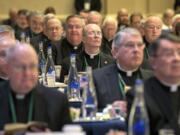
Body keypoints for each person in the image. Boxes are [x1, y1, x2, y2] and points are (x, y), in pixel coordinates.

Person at [0, 43, 72, 131]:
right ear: (8, 68)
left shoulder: (58, 100)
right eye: (20, 67)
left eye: (32, 66)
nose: (27, 73)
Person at [127, 34, 180, 135]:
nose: (176, 59)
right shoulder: (139, 95)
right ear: (153, 62)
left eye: (179, 53)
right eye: (169, 54)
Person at [93, 28, 152, 110]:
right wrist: (108, 110)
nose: (136, 50)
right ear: (115, 52)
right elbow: (86, 113)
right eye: (130, 45)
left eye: (139, 45)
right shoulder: (97, 79)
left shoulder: (153, 79)